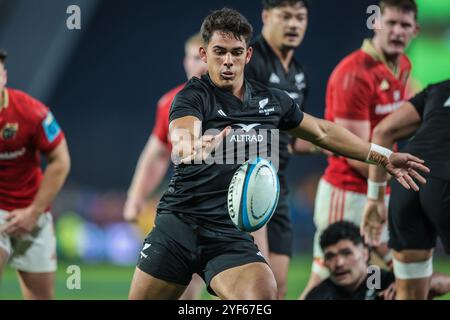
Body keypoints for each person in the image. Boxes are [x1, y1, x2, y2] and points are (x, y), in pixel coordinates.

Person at [127, 8, 427, 300]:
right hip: (178, 226)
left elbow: (323, 132)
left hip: (229, 234)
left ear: (248, 55)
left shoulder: (272, 101)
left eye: (236, 52)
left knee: (264, 293)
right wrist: (194, 146)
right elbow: (182, 136)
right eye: (219, 52)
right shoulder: (192, 96)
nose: (228, 61)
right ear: (205, 55)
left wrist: (382, 155)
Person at [301, 0, 420, 299]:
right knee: (327, 278)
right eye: (390, 23)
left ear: (415, 30)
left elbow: (414, 108)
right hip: (348, 192)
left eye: (404, 25)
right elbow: (353, 154)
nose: (397, 31)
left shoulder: (402, 66)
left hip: (377, 188)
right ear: (375, 23)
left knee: (404, 276)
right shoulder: (353, 75)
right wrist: (402, 176)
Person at [123, 33, 208, 299]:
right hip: (187, 208)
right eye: (195, 57)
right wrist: (135, 197)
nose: (201, 65)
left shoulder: (237, 101)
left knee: (263, 284)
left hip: (230, 208)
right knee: (185, 282)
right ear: (185, 62)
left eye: (205, 57)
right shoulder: (170, 102)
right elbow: (157, 154)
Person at [244, 0, 316, 299]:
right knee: (252, 286)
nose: (294, 24)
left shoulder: (298, 73)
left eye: (300, 17)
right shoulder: (251, 62)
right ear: (265, 17)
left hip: (279, 186)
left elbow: (295, 140)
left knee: (279, 286)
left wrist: (335, 144)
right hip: (248, 180)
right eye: (285, 17)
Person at [361, 79, 450, 299]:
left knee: (409, 291)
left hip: (407, 181)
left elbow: (383, 131)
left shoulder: (439, 89)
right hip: (445, 181)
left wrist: (375, 198)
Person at [0, 50, 71, 299]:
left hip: (33, 212)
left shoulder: (33, 112)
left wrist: (33, 212)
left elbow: (60, 161)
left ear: (4, 76)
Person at [305, 221, 450, 300]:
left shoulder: (378, 279)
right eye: (330, 257)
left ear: (365, 253)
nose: (339, 263)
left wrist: (409, 284)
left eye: (346, 253)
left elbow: (444, 283)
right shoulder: (320, 295)